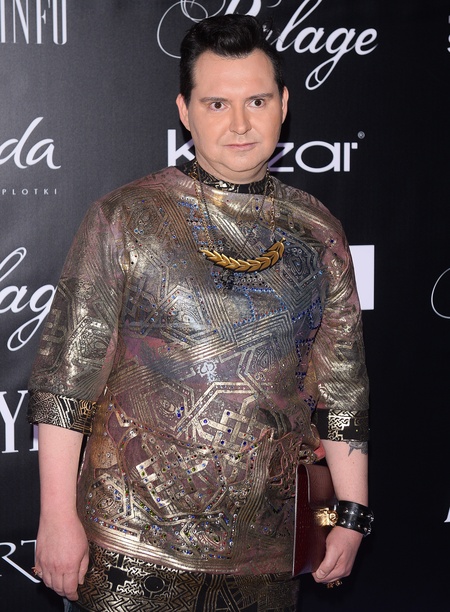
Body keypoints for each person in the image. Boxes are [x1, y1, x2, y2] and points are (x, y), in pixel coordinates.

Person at [28, 14, 372, 612]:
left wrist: (351, 513)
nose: (239, 124)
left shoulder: (319, 233)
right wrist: (57, 517)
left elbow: (343, 390)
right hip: (128, 553)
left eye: (256, 101)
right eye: (216, 104)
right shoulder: (125, 217)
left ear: (284, 104)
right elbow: (66, 381)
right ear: (185, 112)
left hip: (266, 556)